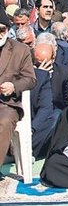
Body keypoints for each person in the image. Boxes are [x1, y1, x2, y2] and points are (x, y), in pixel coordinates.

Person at [0, 17, 37, 176]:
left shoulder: (20, 50)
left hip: (7, 104)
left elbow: (30, 79)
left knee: (4, 121)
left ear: (8, 30)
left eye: (1, 30)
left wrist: (14, 86)